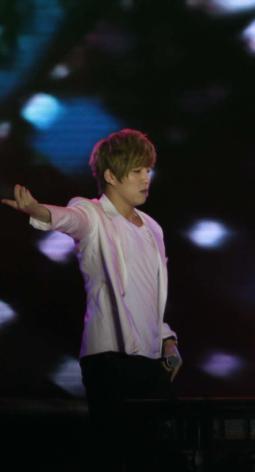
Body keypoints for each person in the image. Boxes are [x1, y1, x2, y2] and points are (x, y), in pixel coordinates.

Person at [3, 128, 181, 429]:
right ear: (111, 176)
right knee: (117, 449)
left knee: (160, 449)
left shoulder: (153, 228)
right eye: (136, 170)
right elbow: (70, 218)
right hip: (108, 358)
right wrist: (38, 210)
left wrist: (167, 339)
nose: (145, 178)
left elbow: (150, 292)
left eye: (147, 170)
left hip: (151, 360)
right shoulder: (92, 213)